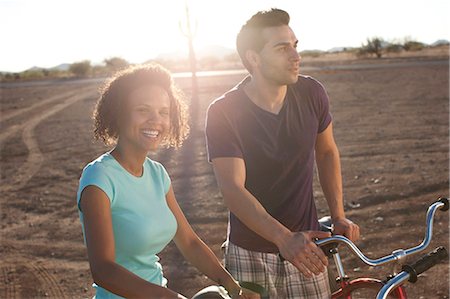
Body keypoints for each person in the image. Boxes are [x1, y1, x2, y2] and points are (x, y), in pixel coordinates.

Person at [205, 8, 360, 298]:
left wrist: (339, 215)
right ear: (254, 58)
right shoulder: (224, 111)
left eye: (295, 45)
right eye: (282, 48)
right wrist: (283, 238)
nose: (295, 56)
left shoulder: (312, 93)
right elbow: (232, 188)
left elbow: (326, 152)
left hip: (307, 246)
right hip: (249, 252)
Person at [76, 64, 258, 299]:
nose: (156, 120)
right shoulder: (99, 179)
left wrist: (232, 286)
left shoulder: (157, 173)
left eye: (164, 112)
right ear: (119, 113)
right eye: (143, 110)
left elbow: (189, 242)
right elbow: (104, 270)